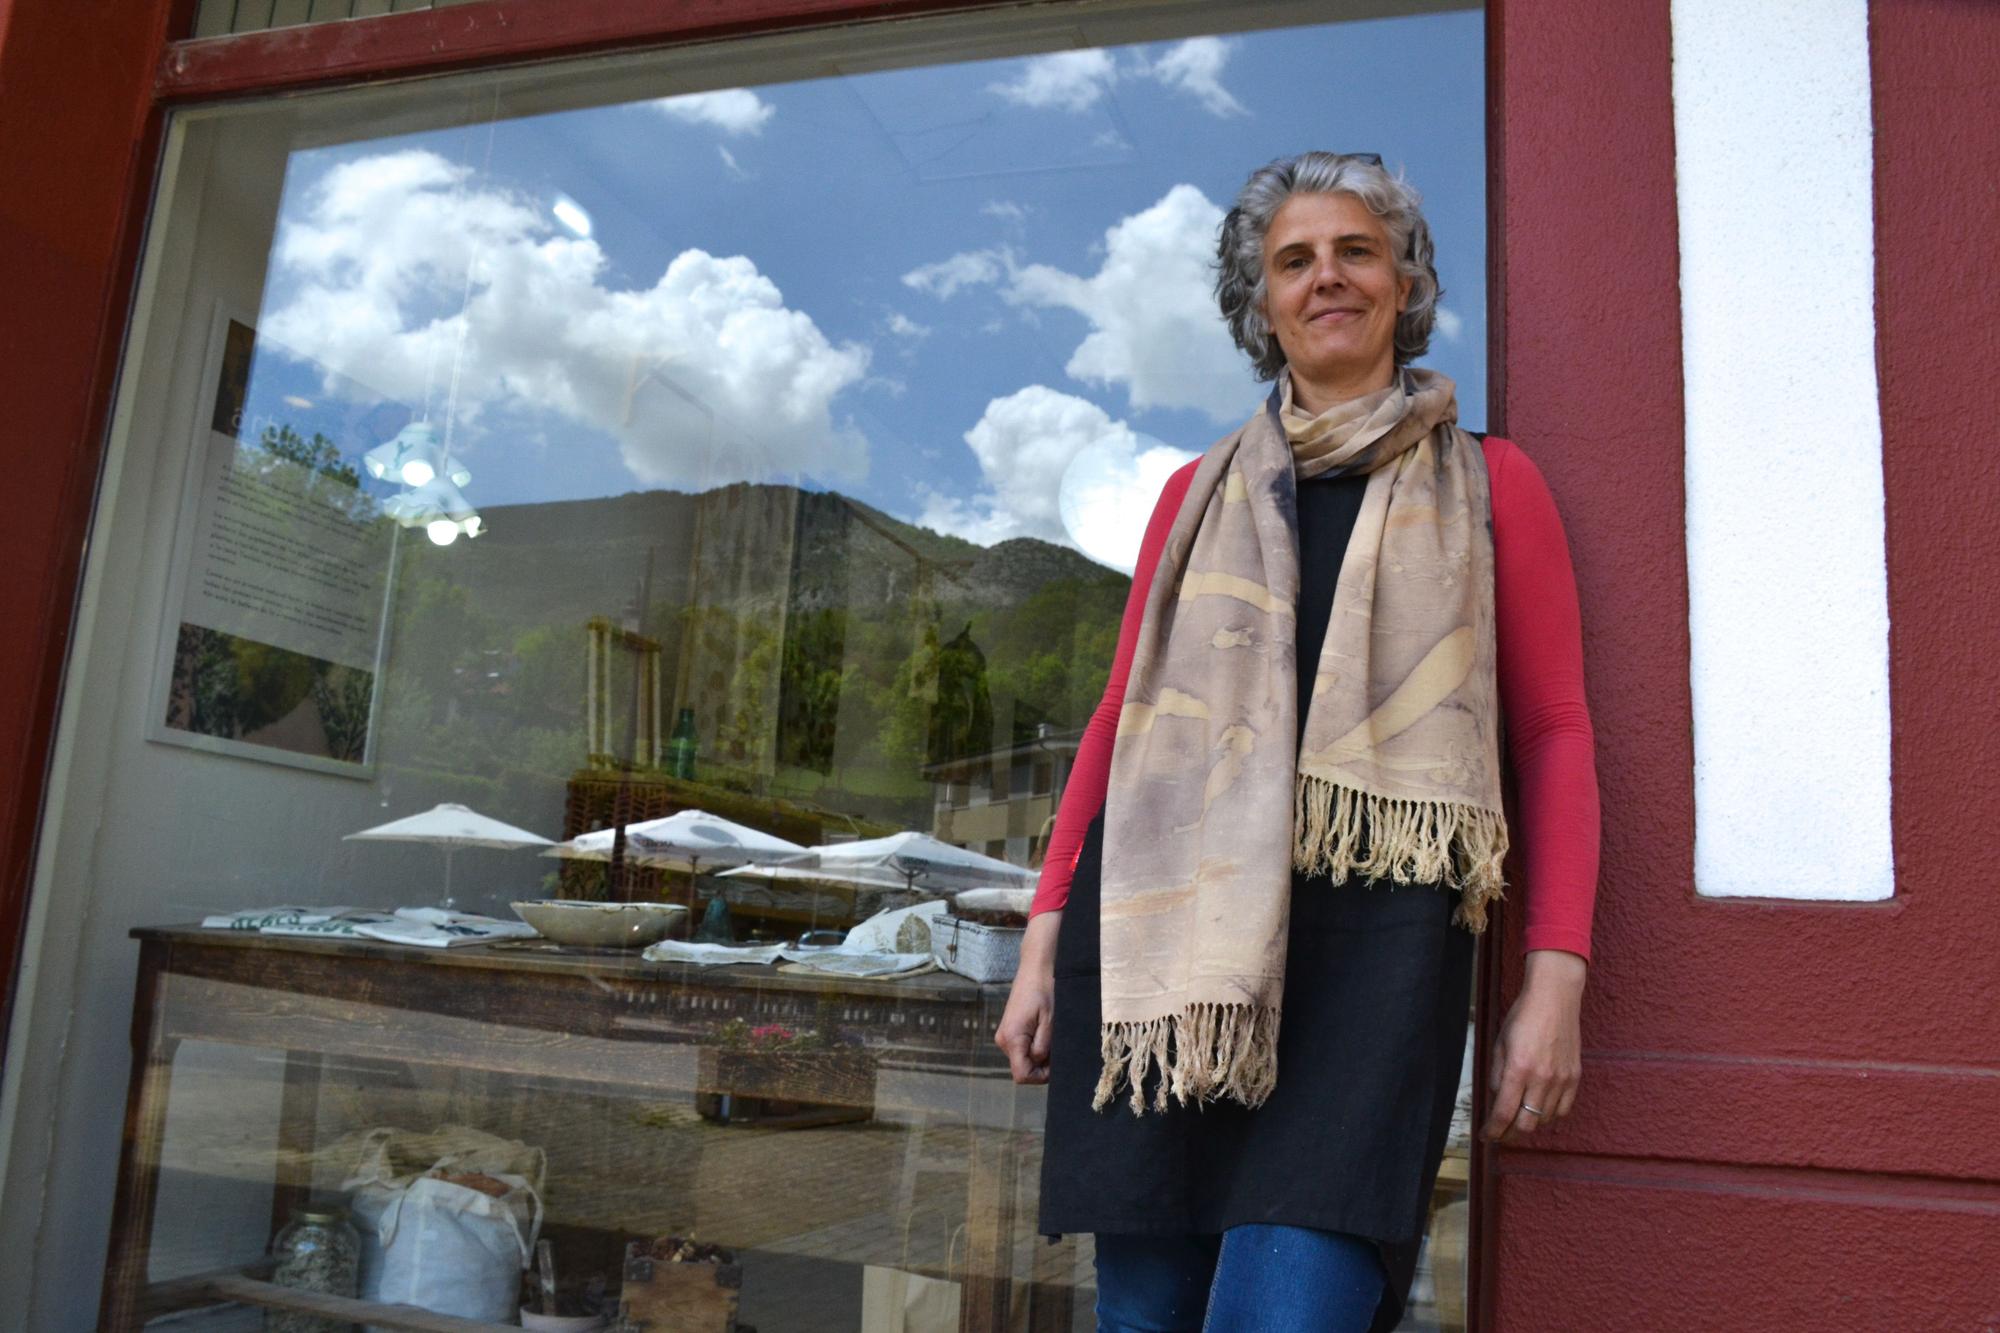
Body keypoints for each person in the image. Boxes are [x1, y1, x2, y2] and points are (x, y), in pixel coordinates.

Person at [993, 151, 1600, 1332]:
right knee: (1144, 1315)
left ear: (1404, 283)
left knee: (1290, 1308)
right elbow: (1122, 722)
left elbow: (1551, 730)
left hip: (1371, 968)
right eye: (1293, 260)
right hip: (1166, 964)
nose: (1326, 277)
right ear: (1259, 305)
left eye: (1355, 250)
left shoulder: (1490, 486)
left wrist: (1555, 973)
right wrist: (1040, 940)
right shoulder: (1194, 495)